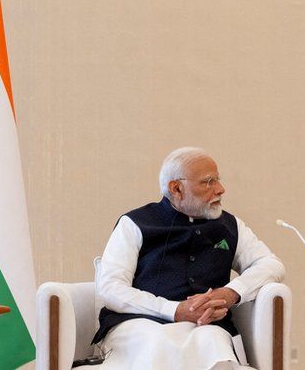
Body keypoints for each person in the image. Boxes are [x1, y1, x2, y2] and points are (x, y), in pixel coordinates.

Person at [92, 147, 286, 369]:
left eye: (218, 180)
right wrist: (174, 311)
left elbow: (272, 264)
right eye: (208, 182)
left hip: (206, 327)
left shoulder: (230, 226)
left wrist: (231, 292)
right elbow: (110, 288)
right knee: (158, 342)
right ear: (176, 188)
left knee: (213, 344)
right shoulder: (135, 223)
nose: (220, 189)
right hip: (139, 323)